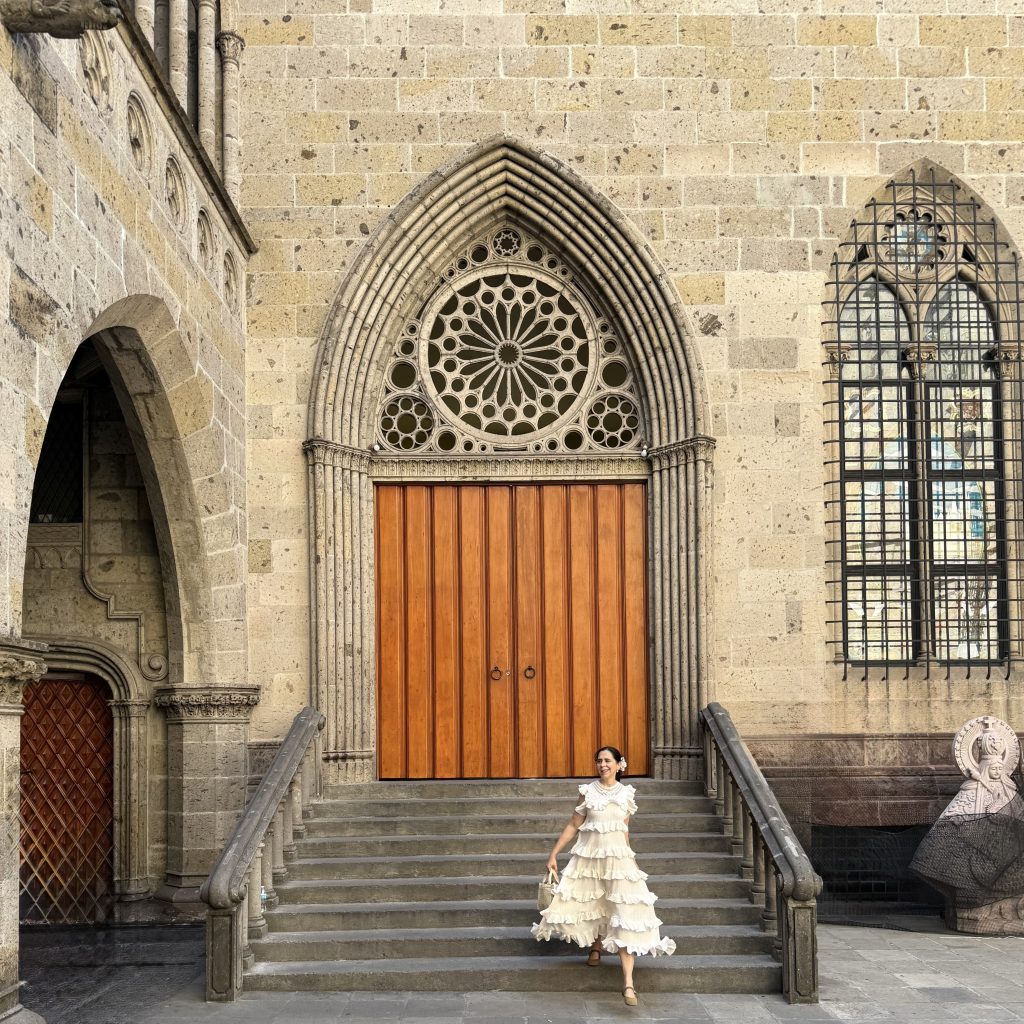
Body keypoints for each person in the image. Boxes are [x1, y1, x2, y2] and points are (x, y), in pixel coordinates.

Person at [531, 745, 675, 1006]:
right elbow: (574, 824)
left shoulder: (627, 794)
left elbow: (624, 830)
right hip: (589, 860)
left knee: (624, 915)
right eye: (599, 761)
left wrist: (630, 858)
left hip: (619, 861)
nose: (602, 765)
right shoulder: (587, 792)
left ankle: (628, 984)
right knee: (597, 905)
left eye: (608, 760)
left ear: (620, 764)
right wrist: (553, 854)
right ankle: (596, 947)